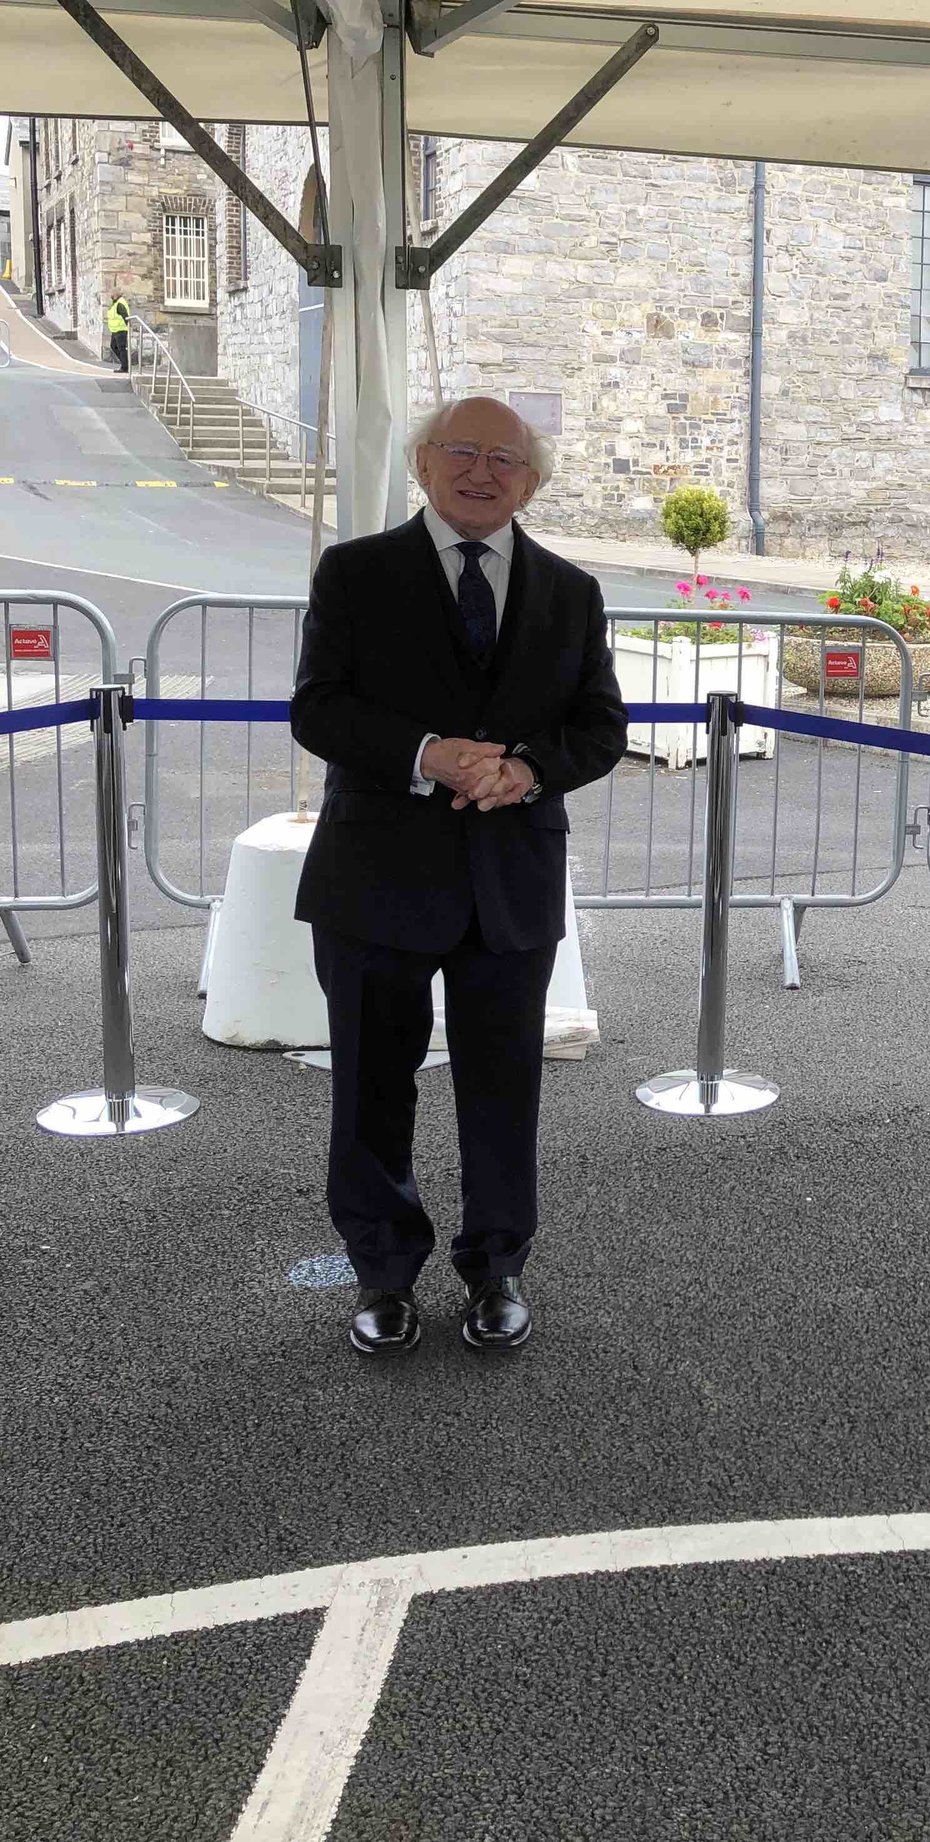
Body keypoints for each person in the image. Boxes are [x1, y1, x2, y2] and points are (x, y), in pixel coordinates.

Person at [291, 396, 626, 1356]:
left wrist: (526, 768)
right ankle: (382, 1273)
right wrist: (428, 753)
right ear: (424, 464)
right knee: (367, 1089)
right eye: (462, 454)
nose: (482, 474)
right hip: (376, 877)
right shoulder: (355, 572)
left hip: (508, 880)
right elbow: (316, 708)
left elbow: (600, 728)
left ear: (532, 481)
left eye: (505, 461)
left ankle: (498, 1269)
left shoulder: (572, 591)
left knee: (503, 1088)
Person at [106, 287, 129, 373]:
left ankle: (125, 367)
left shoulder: (120, 303)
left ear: (115, 294)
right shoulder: (115, 303)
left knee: (121, 348)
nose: (110, 295)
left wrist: (128, 326)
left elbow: (125, 316)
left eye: (112, 293)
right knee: (114, 346)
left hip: (121, 329)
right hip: (115, 330)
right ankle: (125, 363)